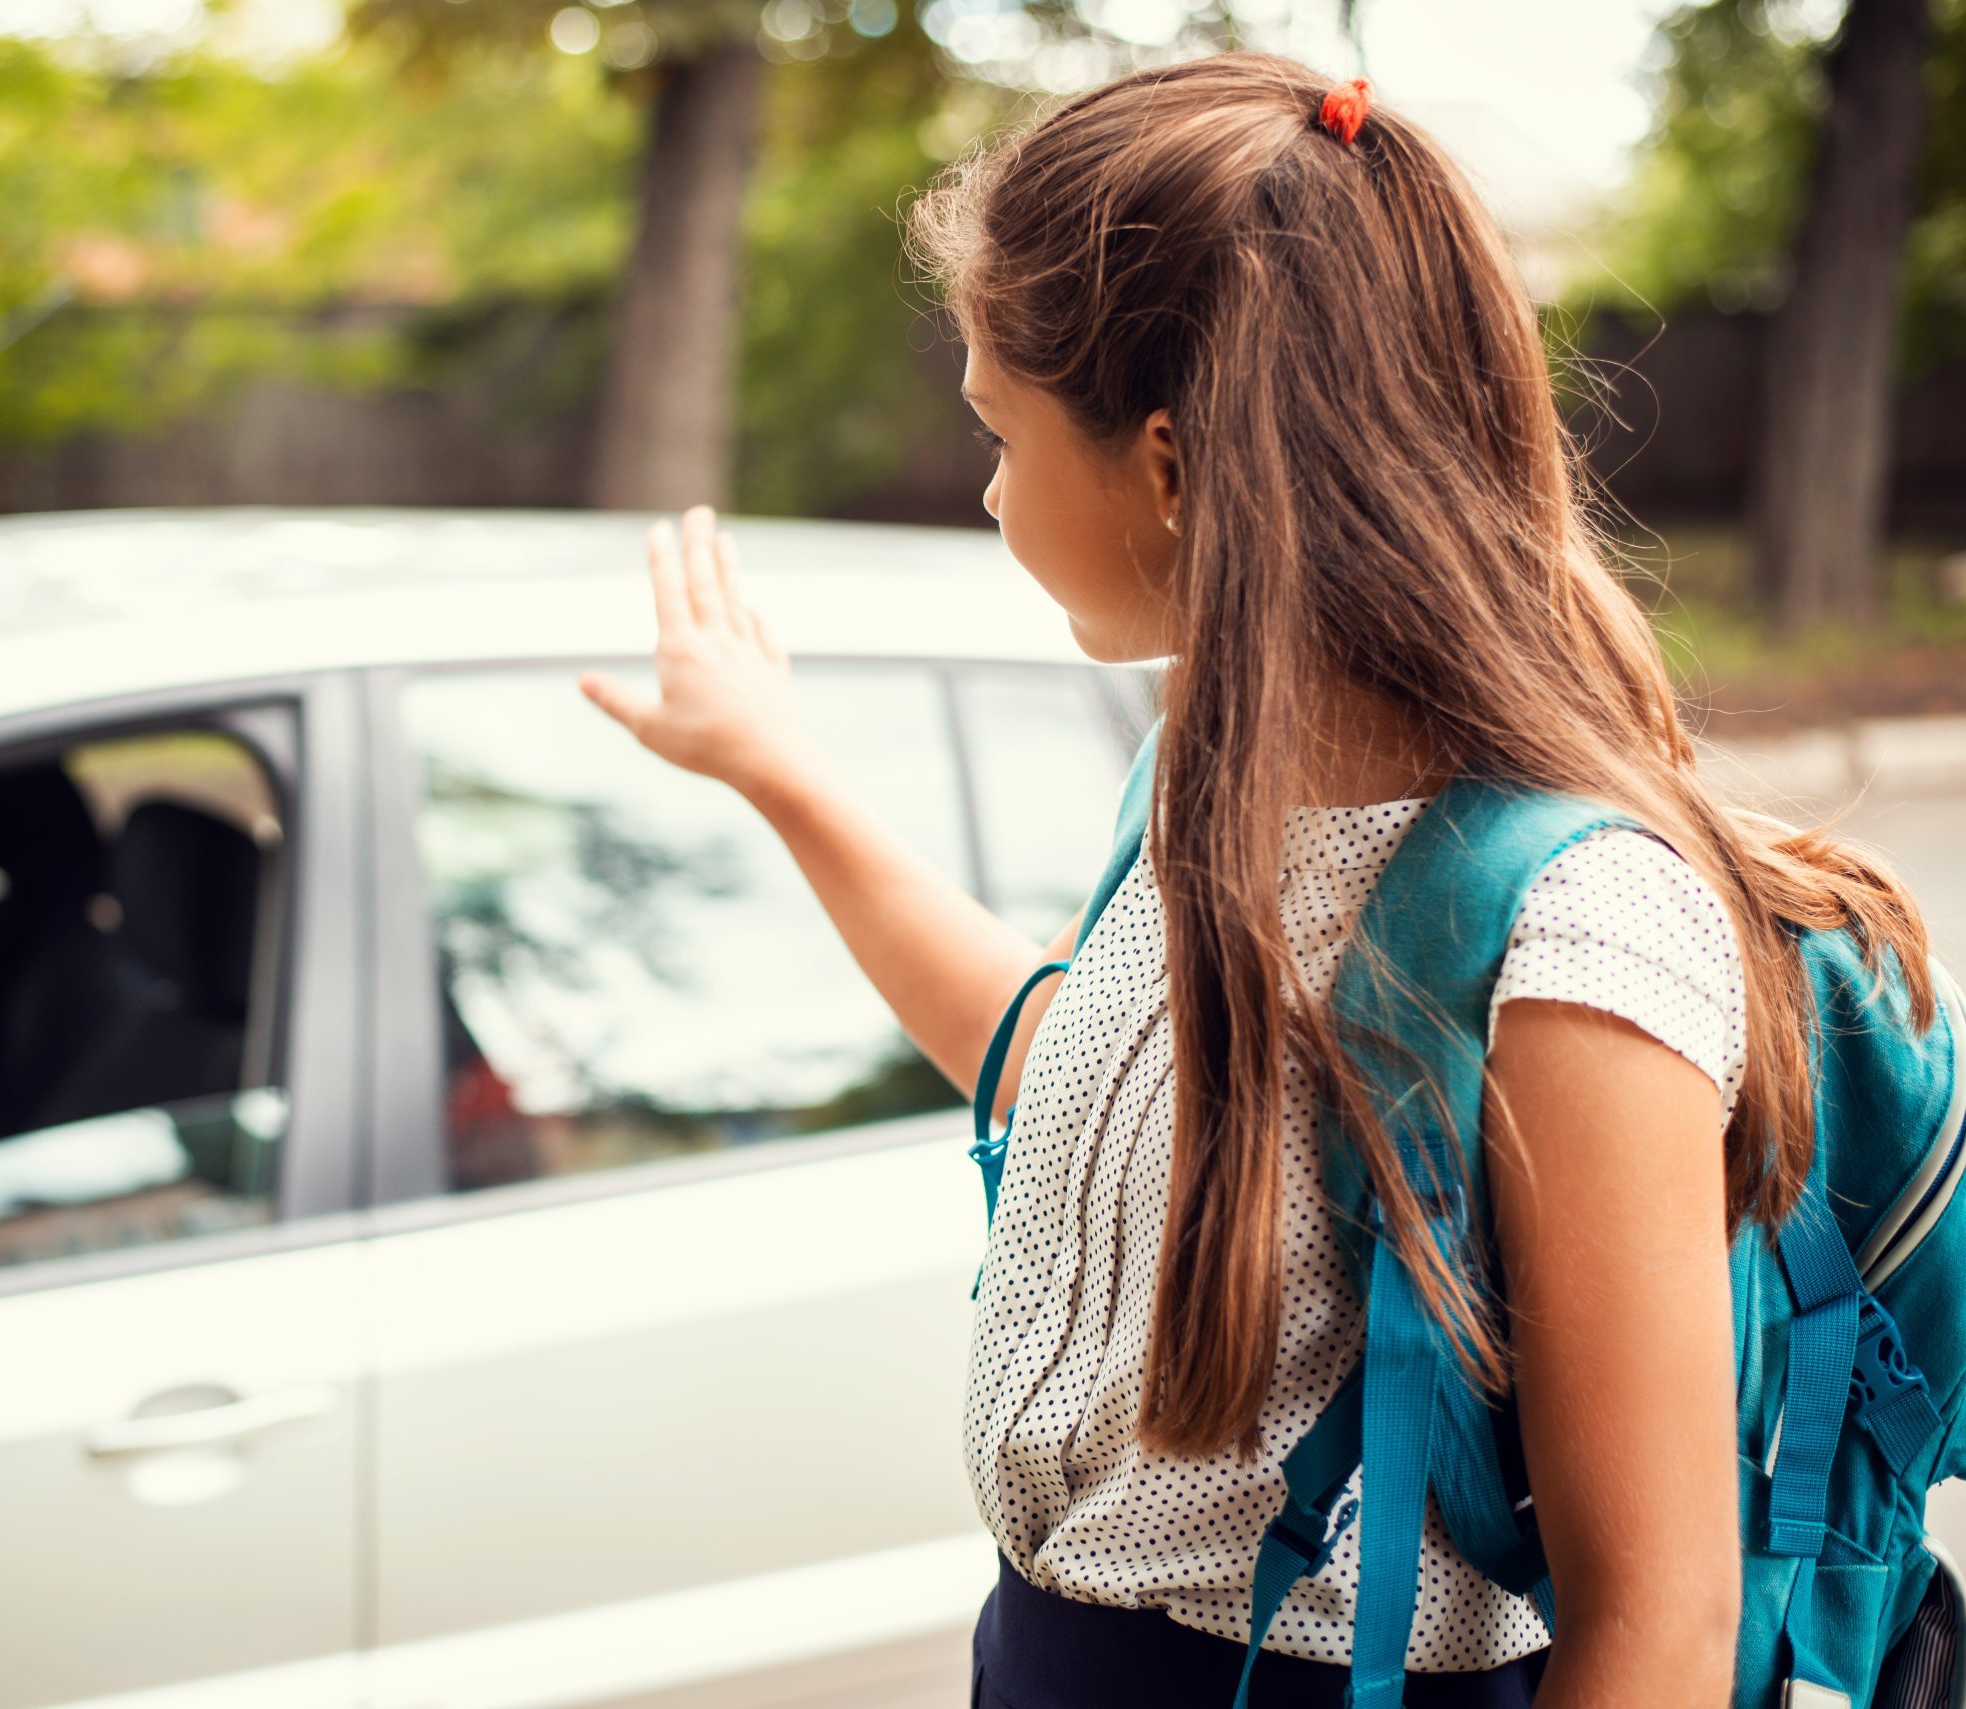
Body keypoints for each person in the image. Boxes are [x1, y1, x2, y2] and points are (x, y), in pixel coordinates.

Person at [576, 55, 1934, 1709]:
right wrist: (777, 768)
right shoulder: (1207, 785)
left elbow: (1654, 1621)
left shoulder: (1578, 932)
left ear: (1165, 464)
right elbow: (1073, 1075)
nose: (992, 492)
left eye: (1001, 431)